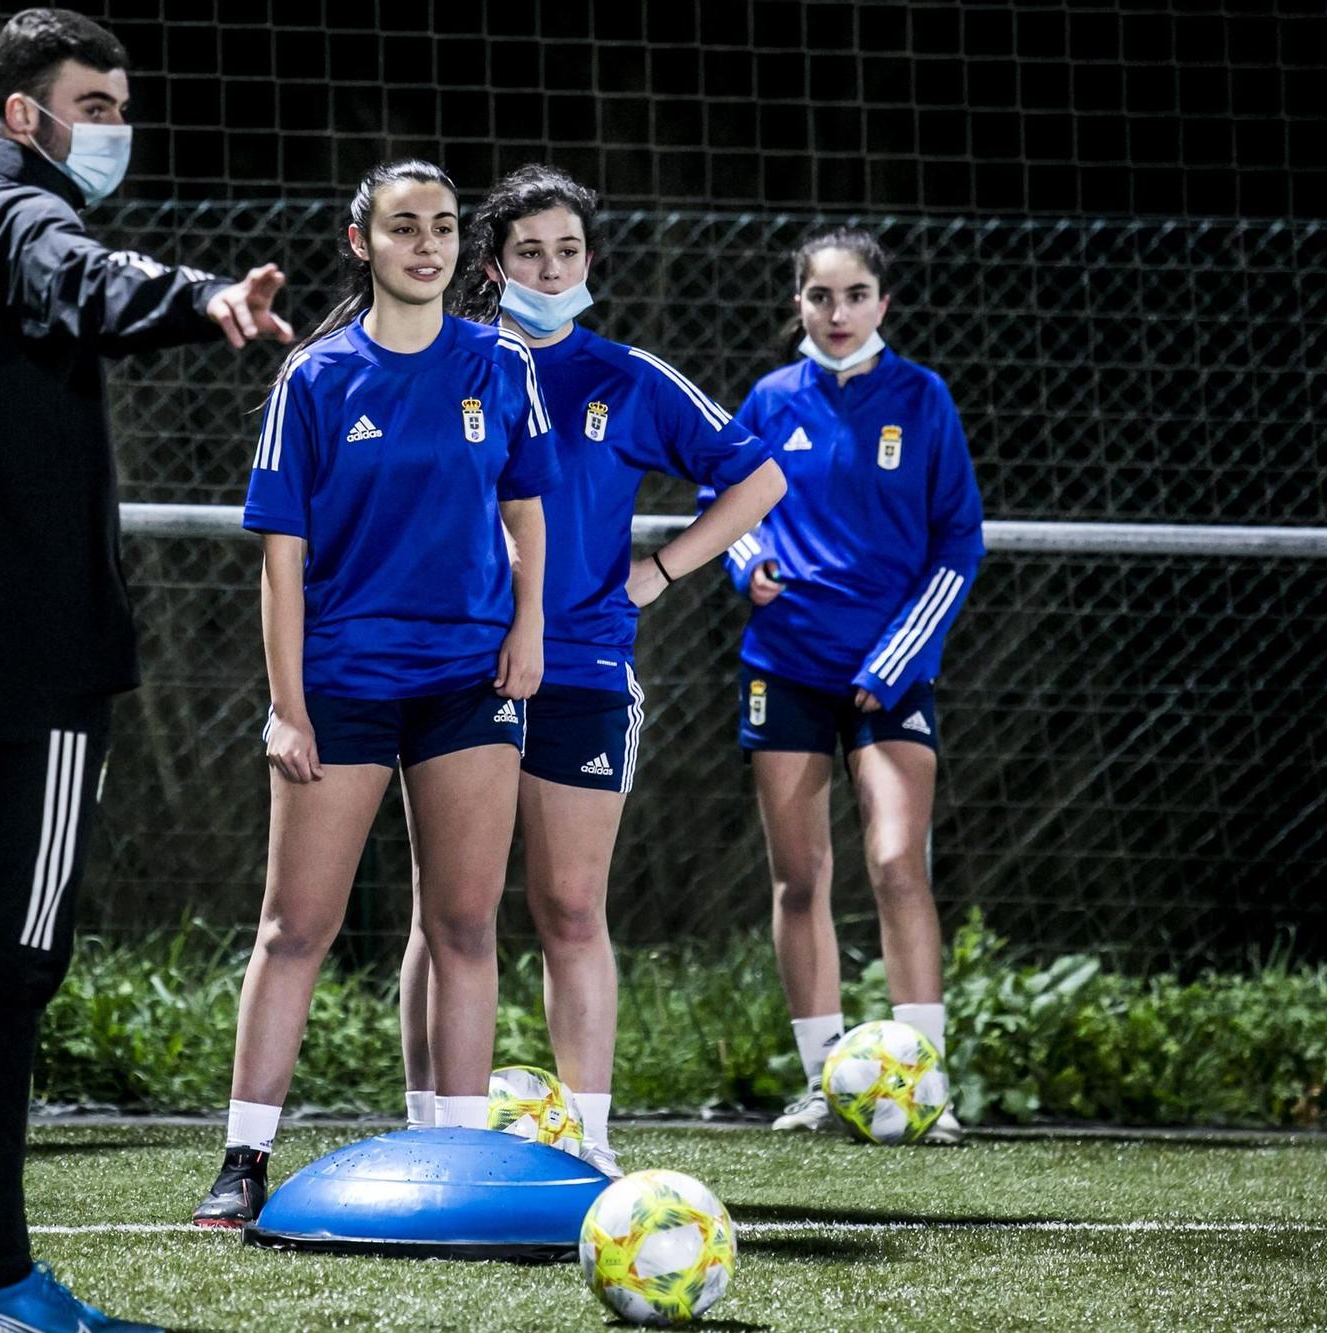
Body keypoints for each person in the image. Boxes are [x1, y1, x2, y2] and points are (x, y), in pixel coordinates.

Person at [0, 9, 295, 1328]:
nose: (114, 126)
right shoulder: (20, 224)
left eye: (119, 104)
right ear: (23, 117)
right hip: (39, 665)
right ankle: (2, 1279)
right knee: (13, 963)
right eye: (94, 105)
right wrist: (205, 299)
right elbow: (93, 277)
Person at [392, 165, 787, 1178]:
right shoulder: (442, 364)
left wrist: (658, 569)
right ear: (490, 266)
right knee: (447, 910)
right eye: (528, 251)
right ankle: (432, 1134)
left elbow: (759, 477)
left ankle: (592, 1143)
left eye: (566, 249)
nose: (550, 266)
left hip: (582, 666)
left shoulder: (627, 376)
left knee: (569, 906)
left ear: (587, 261)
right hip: (456, 669)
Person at [190, 159, 559, 1228]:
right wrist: (286, 702)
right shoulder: (313, 378)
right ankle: (243, 1158)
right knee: (293, 927)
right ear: (361, 242)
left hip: (468, 680)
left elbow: (528, 514)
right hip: (342, 681)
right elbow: (281, 558)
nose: (427, 245)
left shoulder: (499, 363)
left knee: (462, 923)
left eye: (443, 227)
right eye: (404, 227)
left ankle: (456, 1160)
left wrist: (526, 630)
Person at [712, 227, 984, 1144]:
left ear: (884, 303)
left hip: (889, 670)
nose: (839, 313)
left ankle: (923, 1083)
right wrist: (745, 564)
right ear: (798, 302)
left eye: (856, 294)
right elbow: (732, 514)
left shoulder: (924, 397)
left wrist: (897, 655)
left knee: (898, 862)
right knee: (801, 877)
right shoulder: (769, 398)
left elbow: (958, 543)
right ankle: (826, 1079)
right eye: (821, 296)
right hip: (785, 660)